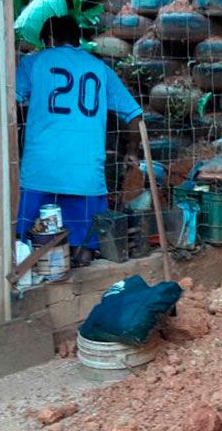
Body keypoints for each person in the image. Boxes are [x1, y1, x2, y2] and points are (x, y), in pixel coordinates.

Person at [15, 16, 143, 262]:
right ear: (77, 40)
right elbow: (134, 114)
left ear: (49, 40)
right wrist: (132, 150)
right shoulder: (100, 69)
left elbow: (12, 104)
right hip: (85, 175)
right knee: (84, 247)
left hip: (40, 172)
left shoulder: (32, 63)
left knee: (27, 248)